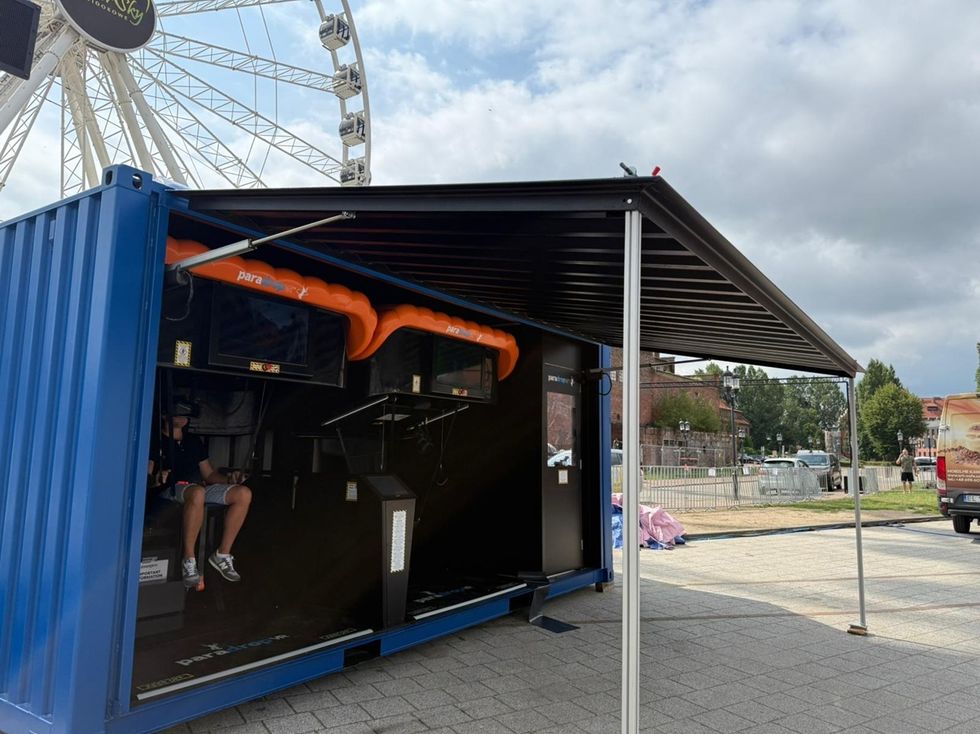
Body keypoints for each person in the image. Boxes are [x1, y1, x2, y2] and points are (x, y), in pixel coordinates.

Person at [148, 411, 253, 588]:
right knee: (197, 492)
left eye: (185, 413)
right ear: (165, 415)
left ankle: (222, 554)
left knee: (243, 493)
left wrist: (230, 480)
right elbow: (147, 476)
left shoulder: (194, 442)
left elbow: (209, 474)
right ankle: (189, 560)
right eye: (177, 412)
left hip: (198, 488)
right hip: (170, 490)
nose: (181, 416)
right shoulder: (155, 440)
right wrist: (157, 477)